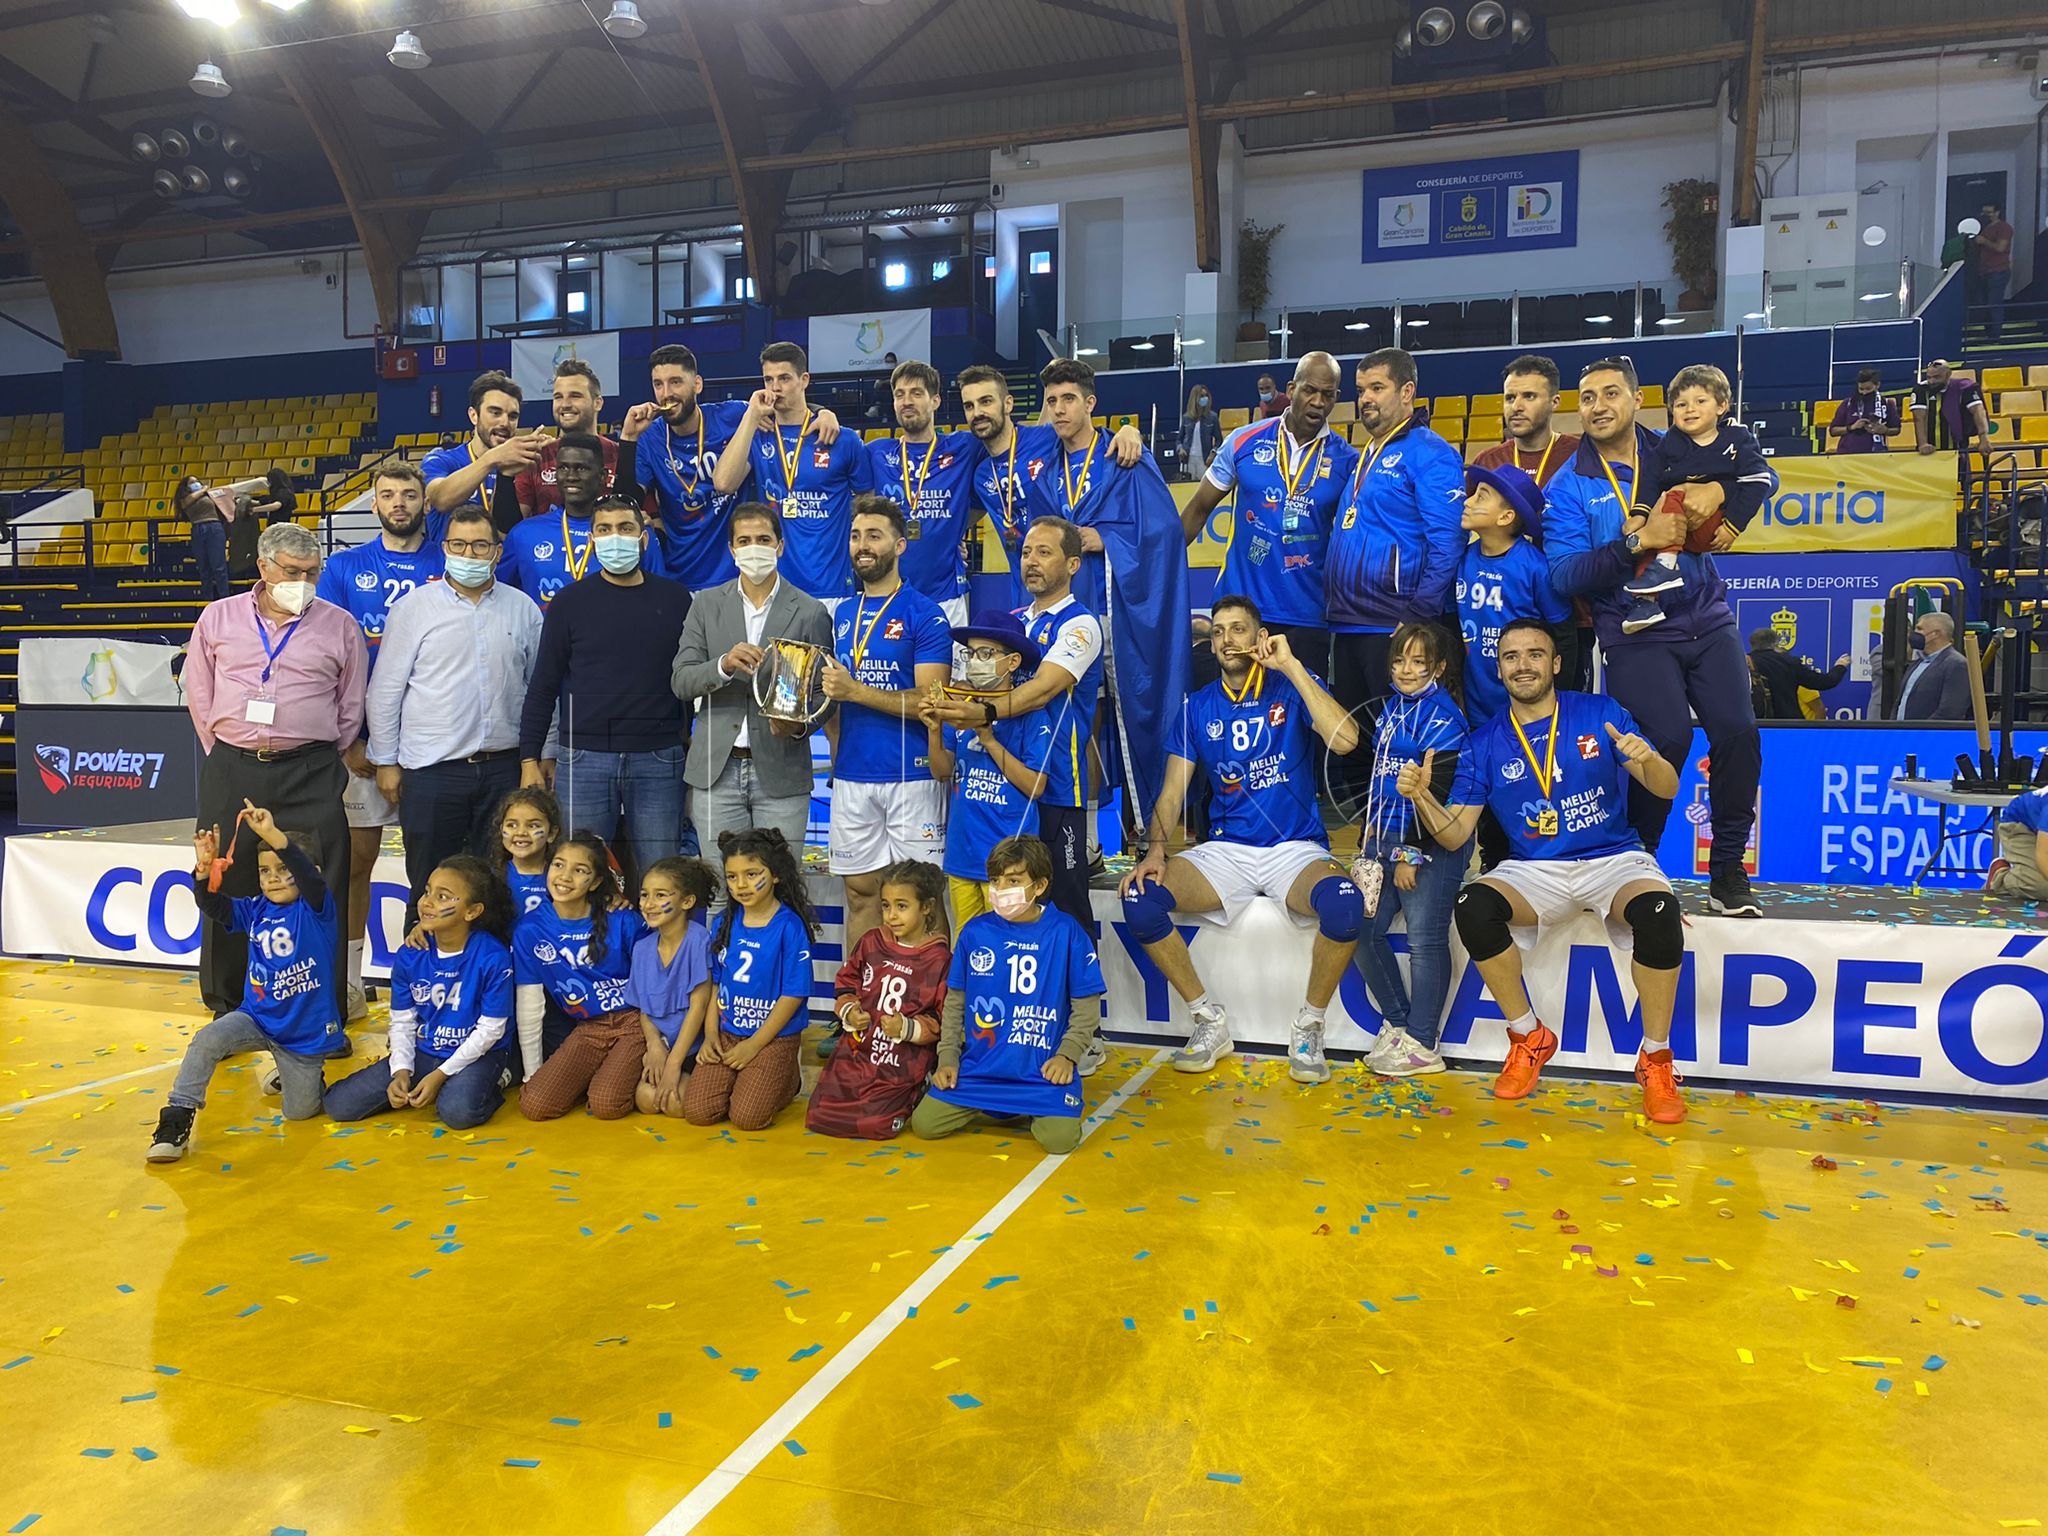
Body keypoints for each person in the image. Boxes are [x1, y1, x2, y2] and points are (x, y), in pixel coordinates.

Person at [1436, 617, 1689, 1124]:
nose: (1522, 665)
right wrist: (1422, 796)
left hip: (1612, 858)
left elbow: (1665, 788)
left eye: (1534, 654)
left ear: (1555, 663)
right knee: (1473, 906)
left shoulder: (1599, 712)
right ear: (1498, 669)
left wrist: (1649, 759)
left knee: (1658, 912)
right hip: (1535, 869)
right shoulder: (1483, 743)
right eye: (1511, 657)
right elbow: (1455, 834)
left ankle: (1656, 1058)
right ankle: (1527, 1035)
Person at [1544, 356, 1764, 918]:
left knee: (1738, 732)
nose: (1598, 406)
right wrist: (1636, 544)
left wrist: (1719, 491)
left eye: (1610, 393)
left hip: (1705, 615)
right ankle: (1637, 859)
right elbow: (1563, 575)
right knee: (1666, 738)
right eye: (1587, 397)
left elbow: (1762, 471)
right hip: (1634, 629)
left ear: (1637, 399)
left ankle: (1727, 870)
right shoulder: (1569, 484)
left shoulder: (1676, 444)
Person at [1118, 597, 1364, 1083]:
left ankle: (1309, 1025)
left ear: (1260, 638)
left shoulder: (1291, 685)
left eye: (1238, 629)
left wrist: (1291, 666)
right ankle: (1207, 1019)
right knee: (1140, 898)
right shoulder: (1197, 706)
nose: (1227, 639)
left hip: (1293, 847)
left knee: (1344, 904)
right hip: (1226, 849)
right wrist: (1155, 850)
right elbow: (1173, 790)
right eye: (1218, 632)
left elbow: (1347, 740)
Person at [185, 521, 364, 1019]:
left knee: (321, 882)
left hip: (310, 770)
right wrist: (230, 752)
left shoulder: (339, 625)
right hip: (233, 766)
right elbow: (199, 694)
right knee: (225, 875)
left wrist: (314, 751)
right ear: (263, 567)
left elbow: (350, 706)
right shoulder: (218, 617)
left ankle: (323, 1010)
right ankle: (227, 1005)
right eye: (292, 571)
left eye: (312, 573)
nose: (303, 582)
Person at [1021, 358, 1192, 842]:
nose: (1059, 409)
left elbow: (1166, 533)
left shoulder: (1124, 457)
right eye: (1051, 401)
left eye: (1068, 399)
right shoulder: (1045, 472)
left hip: (1123, 612)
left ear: (1090, 403)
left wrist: (1108, 540)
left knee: (1139, 714)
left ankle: (1155, 833)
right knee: (1082, 724)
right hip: (1071, 615)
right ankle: (1089, 839)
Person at [367, 504, 544, 920]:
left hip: (504, 768)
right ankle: (421, 959)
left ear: (497, 551)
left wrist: (542, 755)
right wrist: (386, 761)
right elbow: (386, 690)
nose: (469, 554)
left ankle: (490, 960)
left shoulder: (523, 608)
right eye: (459, 545)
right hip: (432, 772)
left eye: (480, 545)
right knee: (429, 883)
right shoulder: (414, 608)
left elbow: (540, 692)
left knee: (496, 885)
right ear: (445, 548)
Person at [926, 518, 1102, 932]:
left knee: (1066, 909)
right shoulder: (1013, 621)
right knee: (1014, 918)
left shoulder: (1080, 624)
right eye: (1025, 553)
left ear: (1073, 564)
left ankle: (1081, 976)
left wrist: (982, 714)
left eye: (1044, 552)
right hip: (1006, 792)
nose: (1031, 561)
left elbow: (1041, 691)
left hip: (1058, 786)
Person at [148, 802, 347, 1162]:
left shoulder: (318, 909)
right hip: (256, 1018)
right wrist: (203, 874)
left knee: (300, 1112)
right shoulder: (256, 909)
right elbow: (215, 907)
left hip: (303, 1036)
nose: (273, 878)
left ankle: (297, 1076)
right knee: (208, 1039)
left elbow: (309, 877)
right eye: (264, 871)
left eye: (283, 869)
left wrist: (273, 835)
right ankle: (176, 1117)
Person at [317, 460, 445, 1017]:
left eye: (409, 494)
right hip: (364, 744)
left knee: (436, 868)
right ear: (374, 505)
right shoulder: (345, 567)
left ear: (424, 503)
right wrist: (349, 737)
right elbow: (329, 657)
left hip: (435, 745)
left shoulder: (448, 561)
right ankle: (348, 983)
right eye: (388, 495)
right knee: (355, 863)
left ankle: (437, 979)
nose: (399, 503)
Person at [519, 494, 690, 885]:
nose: (616, 537)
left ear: (643, 538)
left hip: (658, 759)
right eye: (605, 529)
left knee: (662, 875)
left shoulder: (676, 599)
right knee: (579, 875)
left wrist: (687, 739)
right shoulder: (568, 602)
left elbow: (688, 679)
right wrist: (530, 757)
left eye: (625, 528)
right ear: (593, 540)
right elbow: (543, 685)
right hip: (584, 758)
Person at [1325, 347, 1466, 820]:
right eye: (1360, 389)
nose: (1365, 398)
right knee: (1360, 745)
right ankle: (1374, 843)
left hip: (1395, 626)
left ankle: (1411, 843)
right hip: (1349, 624)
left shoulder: (1430, 453)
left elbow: (1447, 542)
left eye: (1377, 388)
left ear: (1407, 392)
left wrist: (1417, 617)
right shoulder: (1366, 452)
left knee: (1404, 748)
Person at [670, 503, 832, 904]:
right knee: (719, 894)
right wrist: (723, 665)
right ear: (731, 549)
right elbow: (681, 681)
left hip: (781, 769)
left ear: (780, 546)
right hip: (716, 771)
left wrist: (800, 727)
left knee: (783, 891)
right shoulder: (705, 604)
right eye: (744, 541)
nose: (754, 548)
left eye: (763, 539)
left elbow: (825, 694)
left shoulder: (810, 611)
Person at [912, 835, 1101, 1153]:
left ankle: (1033, 1105)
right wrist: (947, 1058)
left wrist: (1067, 1056)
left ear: (1040, 885)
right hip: (981, 1071)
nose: (1001, 890)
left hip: (1040, 1074)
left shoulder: (1066, 931)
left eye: (1013, 881)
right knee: (925, 1125)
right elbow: (955, 1003)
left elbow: (1087, 1005)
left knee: (1060, 1140)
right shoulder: (975, 932)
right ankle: (994, 1104)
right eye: (995, 881)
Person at [821, 495, 954, 947]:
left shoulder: (926, 614)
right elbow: (833, 700)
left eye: (874, 536)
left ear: (899, 546)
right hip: (853, 776)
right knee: (860, 895)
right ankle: (863, 990)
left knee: (923, 899)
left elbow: (931, 701)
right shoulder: (842, 614)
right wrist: (836, 753)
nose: (863, 545)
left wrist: (856, 691)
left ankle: (932, 993)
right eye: (856, 536)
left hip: (910, 776)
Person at [1177, 351, 1357, 678]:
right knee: (1234, 705)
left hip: (1306, 616)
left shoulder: (1347, 462)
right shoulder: (1243, 441)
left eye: (1327, 395)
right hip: (1240, 611)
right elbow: (1199, 509)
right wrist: (1160, 571)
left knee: (1302, 709)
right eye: (1309, 390)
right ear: (1291, 389)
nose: (1317, 402)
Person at [1354, 624, 1480, 1077]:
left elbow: (1436, 793)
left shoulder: (1444, 719)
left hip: (1429, 845)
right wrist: (1370, 835)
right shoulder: (1392, 707)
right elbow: (1381, 776)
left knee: (1424, 940)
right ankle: (1400, 1024)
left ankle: (1424, 1043)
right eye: (1399, 660)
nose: (1406, 670)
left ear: (1439, 668)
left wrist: (1410, 853)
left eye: (1418, 662)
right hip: (1383, 839)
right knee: (1361, 930)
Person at [322, 856, 516, 1131]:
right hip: (425, 1050)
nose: (427, 902)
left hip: (479, 1054)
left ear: (472, 911)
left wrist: (440, 1075)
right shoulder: (410, 954)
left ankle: (501, 1077)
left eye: (442, 896)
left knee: (457, 1112)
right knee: (338, 1105)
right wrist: (401, 1071)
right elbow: (402, 1021)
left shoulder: (493, 956)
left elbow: (491, 1030)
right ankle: (441, 1083)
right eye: (427, 892)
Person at [956, 364, 1142, 606]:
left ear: (1008, 404)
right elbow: (959, 519)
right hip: (1026, 594)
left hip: (1076, 586)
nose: (978, 412)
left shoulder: (1047, 437)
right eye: (969, 406)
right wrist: (954, 543)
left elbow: (1088, 435)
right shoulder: (981, 476)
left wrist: (1129, 431)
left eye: (986, 401)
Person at [712, 341, 875, 603]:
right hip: (777, 589)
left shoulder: (843, 439)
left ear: (804, 380)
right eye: (769, 379)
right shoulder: (758, 435)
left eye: (784, 378)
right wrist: (751, 416)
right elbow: (723, 483)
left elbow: (867, 502)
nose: (775, 387)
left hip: (831, 586)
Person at [1620, 363, 1776, 636]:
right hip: (1673, 530)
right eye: (1681, 404)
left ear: (1722, 406)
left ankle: (1666, 566)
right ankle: (1646, 604)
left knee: (1674, 495)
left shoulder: (1739, 439)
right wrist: (1640, 514)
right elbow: (1650, 478)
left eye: (1700, 401)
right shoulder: (1669, 442)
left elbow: (1761, 481)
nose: (1689, 409)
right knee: (1651, 539)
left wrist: (1732, 526)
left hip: (1714, 527)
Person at [683, 827, 820, 1130]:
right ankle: (749, 1079)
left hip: (773, 1037)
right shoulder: (724, 921)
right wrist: (710, 1034)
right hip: (728, 1032)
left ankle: (788, 1079)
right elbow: (716, 983)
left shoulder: (789, 926)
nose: (741, 884)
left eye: (752, 874)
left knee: (747, 1117)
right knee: (698, 1111)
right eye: (732, 877)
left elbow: (793, 993)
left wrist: (755, 1045)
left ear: (775, 875)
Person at [924, 611, 1054, 924]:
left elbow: (1036, 786)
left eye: (986, 654)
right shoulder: (960, 709)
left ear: (1012, 662)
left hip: (1011, 864)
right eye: (970, 654)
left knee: (1008, 938)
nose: (975, 662)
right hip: (962, 856)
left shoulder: (1032, 716)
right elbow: (941, 772)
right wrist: (933, 730)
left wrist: (989, 739)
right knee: (969, 942)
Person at [808, 858, 950, 1140]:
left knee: (876, 1126)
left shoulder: (939, 959)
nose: (891, 916)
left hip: (902, 1059)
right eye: (886, 905)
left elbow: (942, 1018)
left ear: (926, 907)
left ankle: (918, 1090)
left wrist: (907, 1028)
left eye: (902, 906)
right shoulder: (872, 942)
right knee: (819, 1115)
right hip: (858, 1050)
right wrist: (849, 1011)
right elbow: (846, 982)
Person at [1475, 354, 1592, 690]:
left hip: (1572, 611)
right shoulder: (1488, 462)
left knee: (1566, 705)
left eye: (1529, 396)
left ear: (1555, 401)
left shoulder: (1581, 456)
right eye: (1510, 397)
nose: (1516, 406)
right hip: (1505, 613)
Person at [512, 832, 650, 1105]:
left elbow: (656, 985)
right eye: (558, 865)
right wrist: (531, 1075)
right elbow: (530, 1006)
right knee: (534, 1104)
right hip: (587, 1027)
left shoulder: (623, 919)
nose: (565, 876)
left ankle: (621, 1075)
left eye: (580, 870)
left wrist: (659, 1041)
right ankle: (606, 1074)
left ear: (596, 881)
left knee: (605, 1103)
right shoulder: (530, 929)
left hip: (635, 1022)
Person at [1455, 463, 1575, 728]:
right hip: (1476, 704)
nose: (1468, 501)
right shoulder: (1463, 560)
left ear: (1506, 517)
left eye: (1481, 496)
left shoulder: (1535, 567)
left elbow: (1564, 634)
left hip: (1530, 706)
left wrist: (1558, 698)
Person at [866, 359, 985, 619]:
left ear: (935, 401)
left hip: (946, 598)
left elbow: (1011, 444)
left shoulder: (963, 447)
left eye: (916, 393)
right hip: (890, 596)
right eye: (900, 395)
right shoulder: (877, 453)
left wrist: (954, 530)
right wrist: (823, 412)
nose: (906, 401)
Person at [633, 343, 753, 588]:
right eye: (658, 384)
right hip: (679, 576)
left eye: (676, 382)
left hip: (736, 576)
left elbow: (787, 412)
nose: (666, 393)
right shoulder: (650, 437)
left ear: (697, 384)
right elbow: (629, 500)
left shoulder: (735, 417)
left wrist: (822, 412)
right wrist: (627, 437)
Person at [498, 434, 664, 607]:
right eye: (563, 468)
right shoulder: (523, 534)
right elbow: (499, 596)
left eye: (582, 468)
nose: (571, 476)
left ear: (602, 476)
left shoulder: (634, 535)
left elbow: (659, 597)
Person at [627, 855, 718, 1118]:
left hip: (690, 1049)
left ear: (687, 902)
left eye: (660, 895)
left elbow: (698, 1007)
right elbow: (644, 1010)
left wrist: (674, 1064)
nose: (649, 904)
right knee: (647, 1100)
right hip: (661, 1047)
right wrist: (654, 1045)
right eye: (645, 895)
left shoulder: (698, 939)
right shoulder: (642, 948)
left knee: (677, 1106)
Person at [421, 370, 544, 542]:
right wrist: (492, 458)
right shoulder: (441, 461)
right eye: (495, 413)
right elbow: (440, 499)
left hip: (501, 558)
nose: (505, 423)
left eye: (512, 416)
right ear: (474, 415)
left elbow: (512, 533)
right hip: (449, 559)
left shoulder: (523, 467)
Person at [514, 358, 625, 520]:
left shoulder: (620, 456)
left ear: (598, 403)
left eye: (575, 396)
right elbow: (511, 525)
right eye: (558, 397)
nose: (565, 404)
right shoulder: (536, 457)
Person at [1911, 359, 1993, 504]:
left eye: (1937, 377)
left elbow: (1978, 411)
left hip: (1958, 450)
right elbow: (1919, 418)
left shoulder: (1965, 387)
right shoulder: (1921, 389)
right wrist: (1922, 444)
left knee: (1963, 488)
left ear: (1948, 374)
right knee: (1928, 492)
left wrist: (1984, 438)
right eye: (1929, 377)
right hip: (1930, 452)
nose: (1932, 381)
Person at [173, 472, 252, 601]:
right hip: (198, 528)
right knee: (204, 567)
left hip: (214, 527)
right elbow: (187, 501)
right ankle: (207, 598)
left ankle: (224, 598)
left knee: (219, 566)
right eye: (192, 482)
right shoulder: (186, 499)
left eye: (197, 481)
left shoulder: (209, 495)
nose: (196, 484)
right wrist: (204, 489)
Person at [1747, 628, 1851, 721]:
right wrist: (1840, 666)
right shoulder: (1790, 663)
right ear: (1775, 643)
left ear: (1752, 644)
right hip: (1789, 725)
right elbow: (1826, 682)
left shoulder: (1744, 663)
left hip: (1755, 724)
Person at [491, 785, 561, 920]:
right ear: (501, 830)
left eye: (533, 825)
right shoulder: (490, 879)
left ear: (552, 833)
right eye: (512, 825)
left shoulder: (562, 878)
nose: (521, 832)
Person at [1890, 610, 1973, 721]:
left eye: (1919, 629)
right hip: (1901, 731)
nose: (1914, 633)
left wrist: (1923, 730)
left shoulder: (1957, 664)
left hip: (1927, 732)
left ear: (1935, 634)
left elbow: (1950, 711)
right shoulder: (1917, 663)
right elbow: (1899, 703)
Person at [1987, 785, 2048, 901]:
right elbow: (2043, 854)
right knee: (2042, 887)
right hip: (2021, 827)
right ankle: (1999, 878)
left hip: (2042, 831)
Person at [1827, 367, 1902, 454]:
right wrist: (1851, 427)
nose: (1864, 392)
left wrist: (1885, 430)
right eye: (1861, 389)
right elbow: (1833, 431)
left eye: (1868, 389)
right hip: (1847, 455)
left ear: (1877, 385)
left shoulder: (1887, 403)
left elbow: (1897, 429)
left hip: (1876, 455)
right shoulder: (1848, 404)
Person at [1978, 202, 2014, 339]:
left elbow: (2000, 248)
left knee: (1994, 303)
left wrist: (1984, 241)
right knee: (1986, 303)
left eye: (1989, 212)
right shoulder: (1986, 227)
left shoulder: (2004, 228)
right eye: (1984, 213)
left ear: (1997, 212)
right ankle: (1989, 332)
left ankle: (1995, 335)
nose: (1986, 216)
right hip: (1985, 271)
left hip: (1998, 270)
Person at [1180, 383, 1219, 474]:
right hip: (1189, 459)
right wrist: (1180, 449)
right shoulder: (1186, 417)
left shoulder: (1212, 417)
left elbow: (1219, 440)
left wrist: (1213, 453)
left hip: (1205, 459)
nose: (1205, 398)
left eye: (1206, 395)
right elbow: (1179, 439)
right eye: (1201, 396)